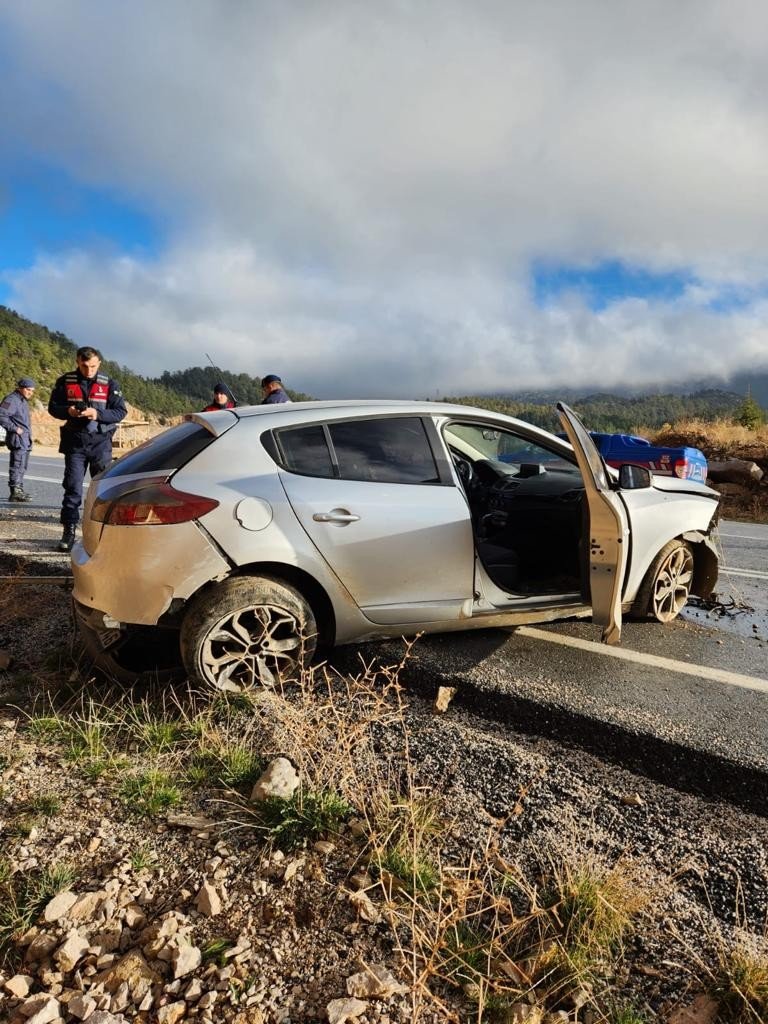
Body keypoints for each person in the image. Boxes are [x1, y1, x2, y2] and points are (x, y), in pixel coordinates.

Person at [48, 346, 127, 552]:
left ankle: (102, 534)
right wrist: (69, 411)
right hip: (75, 442)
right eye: (84, 366)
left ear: (99, 363)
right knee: (73, 487)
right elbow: (52, 408)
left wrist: (96, 414)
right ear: (77, 362)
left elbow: (119, 412)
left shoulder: (110, 384)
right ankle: (69, 530)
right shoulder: (65, 382)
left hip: (100, 443)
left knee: (103, 490)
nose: (89, 370)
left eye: (93, 366)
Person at [0, 377, 36, 502]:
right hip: (17, 438)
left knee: (22, 466)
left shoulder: (22, 401)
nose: (30, 393)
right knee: (17, 465)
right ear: (20, 388)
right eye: (28, 390)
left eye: (32, 390)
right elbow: (1, 415)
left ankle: (19, 489)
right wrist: (14, 428)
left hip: (25, 439)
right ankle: (15, 491)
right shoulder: (12, 399)